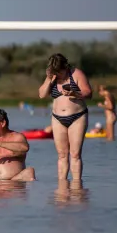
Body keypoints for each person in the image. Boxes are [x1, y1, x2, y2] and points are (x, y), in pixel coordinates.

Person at [38, 53, 92, 182]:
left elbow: (88, 93)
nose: (59, 75)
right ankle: (62, 185)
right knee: (62, 155)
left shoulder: (76, 73)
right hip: (57, 118)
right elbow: (41, 95)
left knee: (75, 154)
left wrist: (75, 93)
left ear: (65, 67)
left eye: (60, 71)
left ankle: (77, 185)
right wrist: (49, 81)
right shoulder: (51, 75)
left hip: (77, 117)